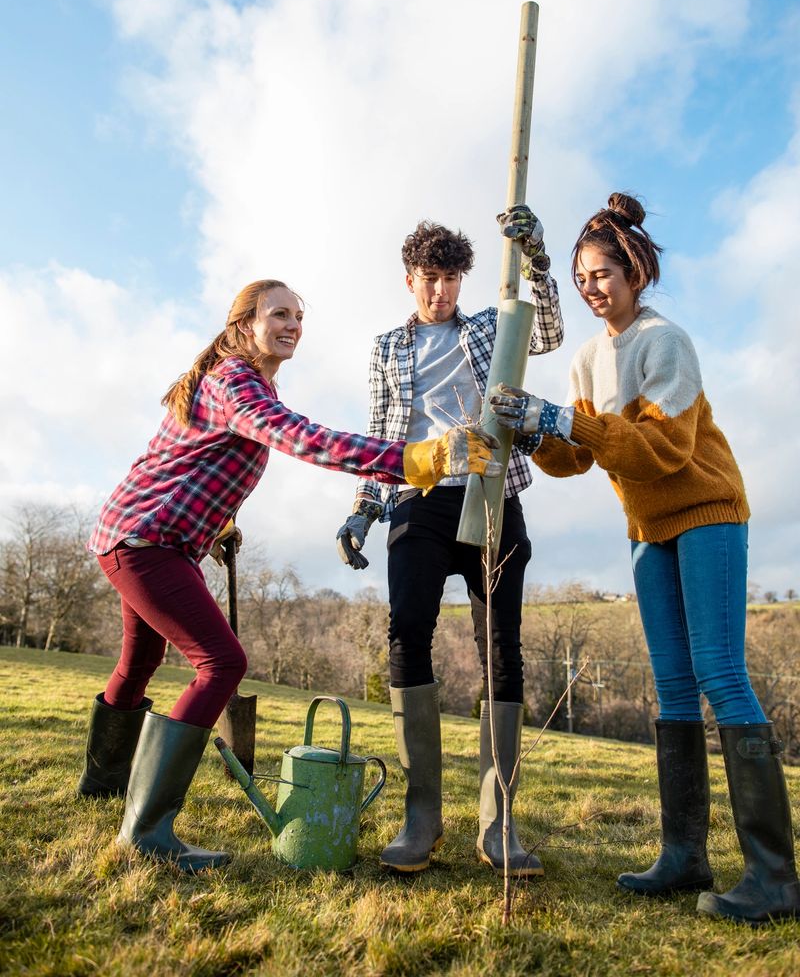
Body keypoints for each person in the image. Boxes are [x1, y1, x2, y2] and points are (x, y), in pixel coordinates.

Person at [78, 278, 500, 873]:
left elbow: (189, 459)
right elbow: (302, 439)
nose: (293, 325)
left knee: (138, 664)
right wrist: (414, 458)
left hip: (141, 535)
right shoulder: (234, 380)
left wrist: (220, 523)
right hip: (147, 542)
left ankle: (101, 786)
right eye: (280, 314)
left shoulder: (237, 382)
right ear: (242, 325)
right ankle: (147, 830)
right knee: (221, 663)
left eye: (300, 317)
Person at [489, 193, 799, 924]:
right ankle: (684, 855)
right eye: (583, 277)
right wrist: (536, 429)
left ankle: (776, 877)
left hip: (706, 512)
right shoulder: (588, 358)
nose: (593, 287)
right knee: (670, 686)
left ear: (635, 271)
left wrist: (564, 421)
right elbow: (575, 458)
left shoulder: (666, 342)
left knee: (719, 671)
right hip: (645, 527)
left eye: (604, 273)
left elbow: (663, 451)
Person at [336, 209, 564, 875]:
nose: (441, 291)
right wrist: (363, 511)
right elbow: (382, 437)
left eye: (452, 279)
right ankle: (421, 817)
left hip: (492, 491)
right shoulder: (388, 348)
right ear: (410, 279)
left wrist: (537, 259)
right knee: (407, 626)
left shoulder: (491, 327)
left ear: (464, 279)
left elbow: (546, 330)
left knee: (501, 643)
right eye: (430, 279)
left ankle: (499, 823)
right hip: (419, 496)